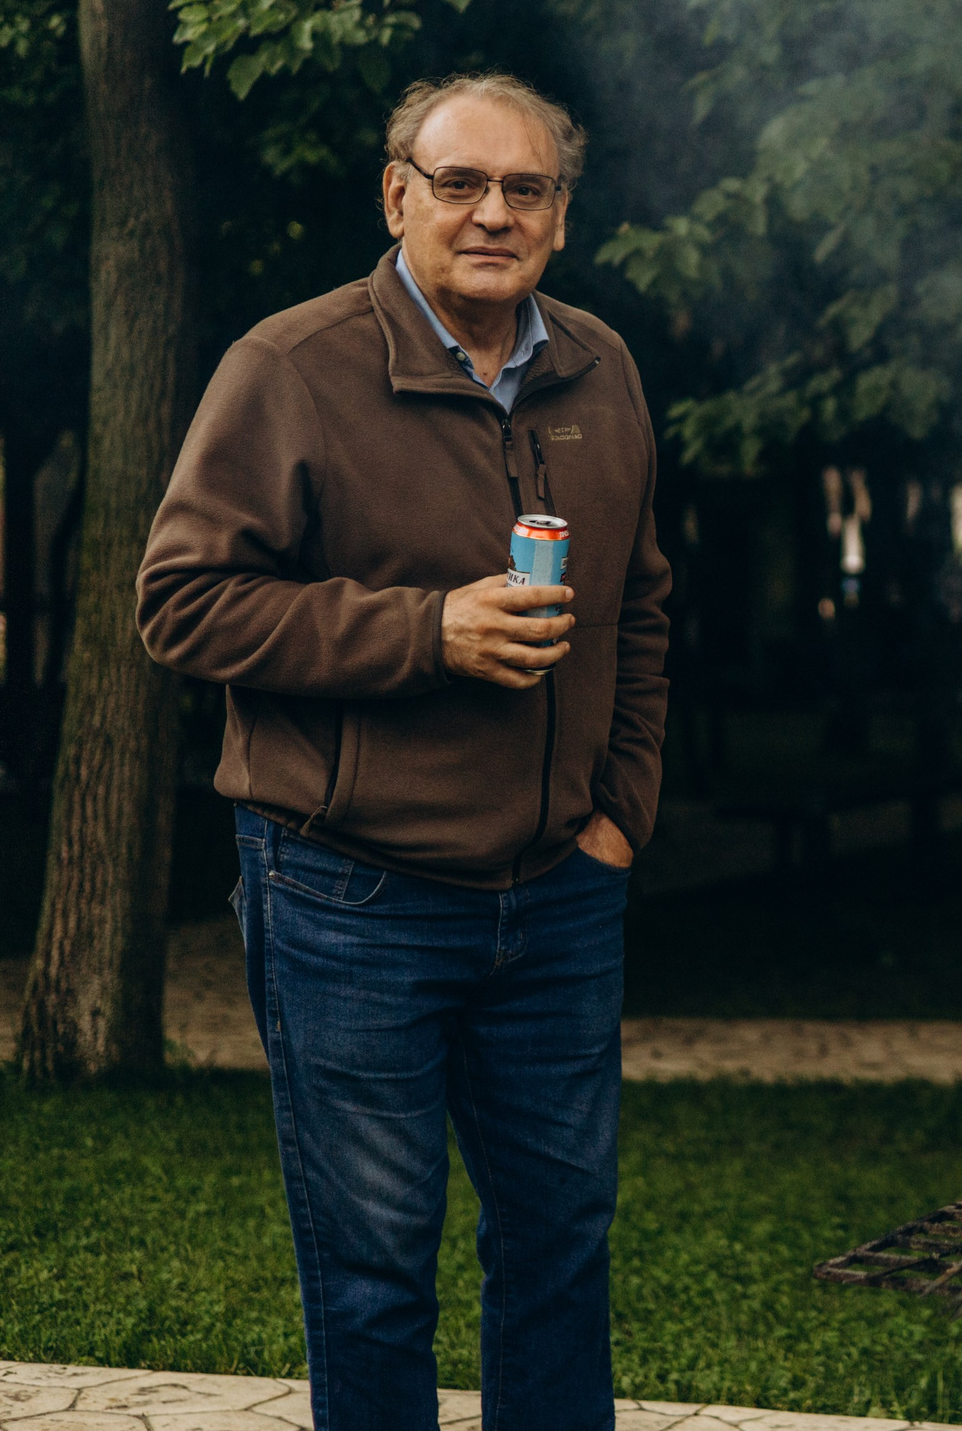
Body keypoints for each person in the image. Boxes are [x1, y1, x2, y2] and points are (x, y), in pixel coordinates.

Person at [138, 72, 671, 1431]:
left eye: (527, 188)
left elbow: (644, 601)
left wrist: (620, 809)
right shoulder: (290, 367)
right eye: (461, 183)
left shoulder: (599, 370)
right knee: (375, 1273)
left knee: (561, 1244)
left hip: (558, 889)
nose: (493, 212)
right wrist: (427, 631)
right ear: (398, 196)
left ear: (559, 210)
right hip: (349, 892)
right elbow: (182, 601)